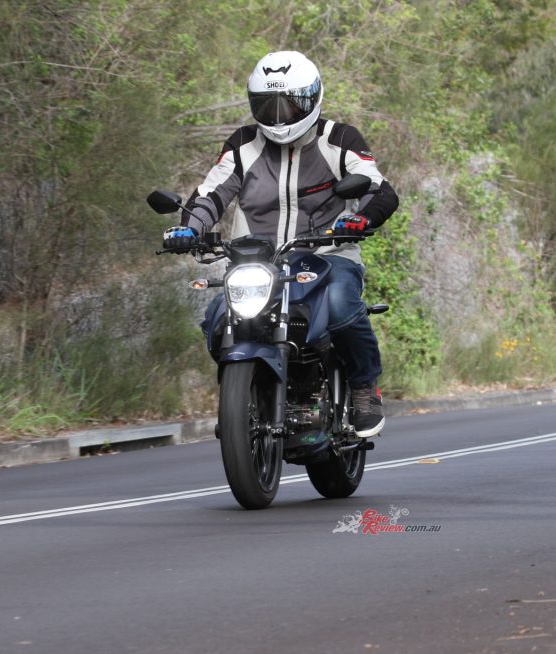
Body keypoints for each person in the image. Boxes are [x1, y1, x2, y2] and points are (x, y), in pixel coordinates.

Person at [163, 50, 399, 437]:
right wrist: (189, 228)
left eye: (288, 104)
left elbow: (379, 189)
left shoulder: (339, 139)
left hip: (328, 255)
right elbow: (211, 194)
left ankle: (363, 388)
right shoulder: (243, 145)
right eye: (267, 104)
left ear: (311, 98)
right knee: (217, 317)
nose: (278, 115)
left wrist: (361, 218)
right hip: (257, 262)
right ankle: (245, 397)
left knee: (340, 304)